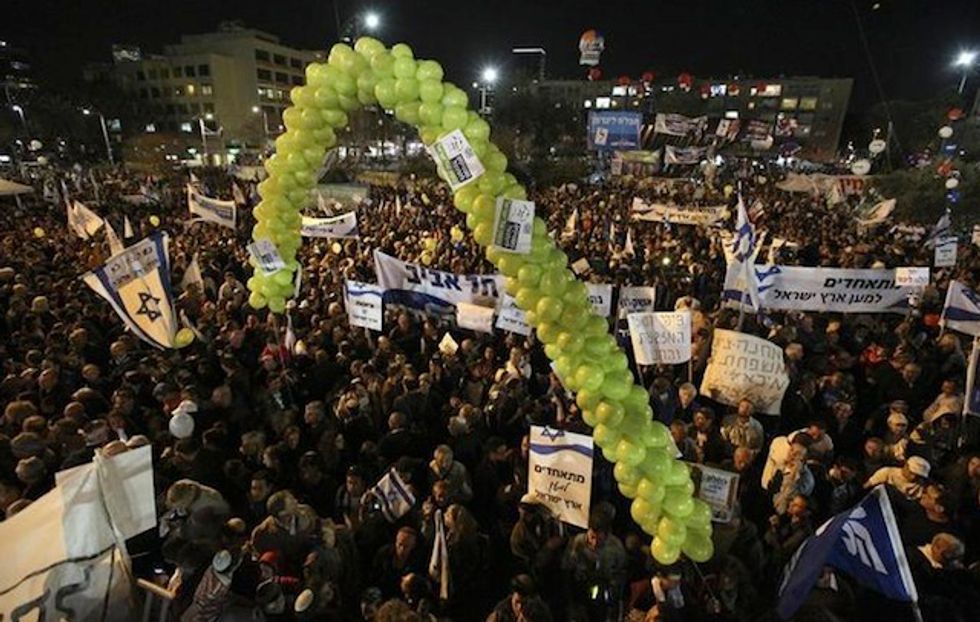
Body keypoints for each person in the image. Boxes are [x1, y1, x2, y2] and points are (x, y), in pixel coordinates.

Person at [865, 455, 931, 500]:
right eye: (911, 473)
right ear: (906, 466)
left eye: (918, 476)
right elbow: (867, 486)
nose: (913, 477)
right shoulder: (887, 473)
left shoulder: (921, 486)